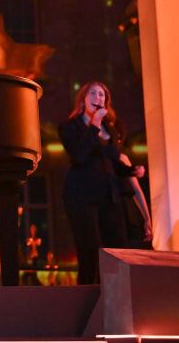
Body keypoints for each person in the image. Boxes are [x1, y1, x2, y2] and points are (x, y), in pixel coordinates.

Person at [58, 81, 137, 285]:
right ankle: (87, 302)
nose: (98, 98)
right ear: (83, 100)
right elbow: (79, 156)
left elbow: (111, 161)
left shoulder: (109, 129)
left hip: (108, 195)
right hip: (81, 195)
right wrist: (93, 126)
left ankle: (115, 298)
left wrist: (130, 170)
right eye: (92, 94)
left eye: (102, 95)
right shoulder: (70, 127)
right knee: (90, 250)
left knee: (118, 248)